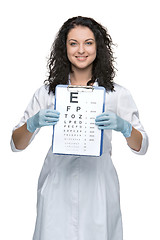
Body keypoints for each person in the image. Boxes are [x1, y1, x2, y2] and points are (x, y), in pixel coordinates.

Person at [11, 16, 149, 240]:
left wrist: (123, 127)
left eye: (89, 42)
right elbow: (16, 144)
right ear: (64, 48)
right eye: (73, 43)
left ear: (98, 47)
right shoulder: (47, 93)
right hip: (57, 186)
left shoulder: (116, 94)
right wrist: (33, 122)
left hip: (98, 186)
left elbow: (142, 146)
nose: (81, 50)